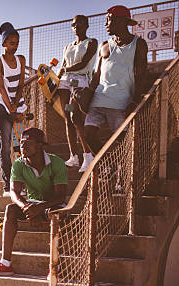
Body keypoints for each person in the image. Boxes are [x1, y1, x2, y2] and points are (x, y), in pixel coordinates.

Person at [0, 128, 68, 276]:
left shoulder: (57, 163)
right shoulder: (18, 164)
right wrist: (27, 209)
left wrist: (38, 208)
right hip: (31, 204)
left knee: (57, 214)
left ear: (40, 145)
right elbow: (14, 193)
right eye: (21, 143)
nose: (23, 146)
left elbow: (60, 197)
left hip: (52, 205)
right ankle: (5, 264)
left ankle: (55, 267)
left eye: (28, 143)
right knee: (10, 209)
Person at [82, 5, 148, 155]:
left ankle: (118, 168)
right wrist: (88, 93)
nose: (105, 24)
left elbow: (141, 74)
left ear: (121, 21)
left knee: (123, 140)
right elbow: (97, 74)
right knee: (88, 134)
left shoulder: (138, 44)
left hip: (121, 102)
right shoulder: (104, 45)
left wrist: (135, 100)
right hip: (99, 98)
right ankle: (106, 165)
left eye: (108, 20)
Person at [56, 15, 98, 173]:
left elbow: (84, 63)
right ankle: (74, 156)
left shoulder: (92, 42)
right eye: (73, 24)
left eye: (79, 24)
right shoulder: (68, 46)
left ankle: (88, 155)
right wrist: (55, 79)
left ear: (86, 25)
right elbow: (62, 65)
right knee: (67, 117)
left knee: (75, 117)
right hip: (65, 83)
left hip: (78, 81)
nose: (76, 27)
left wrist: (65, 70)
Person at [0, 22, 27, 195]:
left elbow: (20, 85)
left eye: (17, 43)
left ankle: (23, 182)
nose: (15, 46)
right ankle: (8, 184)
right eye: (11, 43)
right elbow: (1, 86)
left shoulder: (21, 59)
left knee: (21, 145)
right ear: (4, 43)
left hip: (16, 104)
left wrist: (16, 105)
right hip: (1, 105)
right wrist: (10, 108)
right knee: (5, 144)